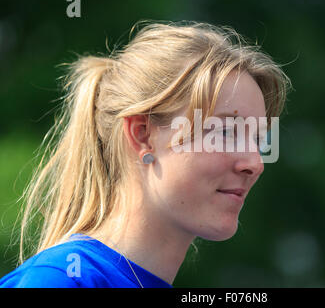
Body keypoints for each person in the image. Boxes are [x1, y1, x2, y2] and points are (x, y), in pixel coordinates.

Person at [0, 20, 291, 288]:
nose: (255, 163)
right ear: (143, 135)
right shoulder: (58, 281)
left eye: (257, 140)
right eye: (225, 132)